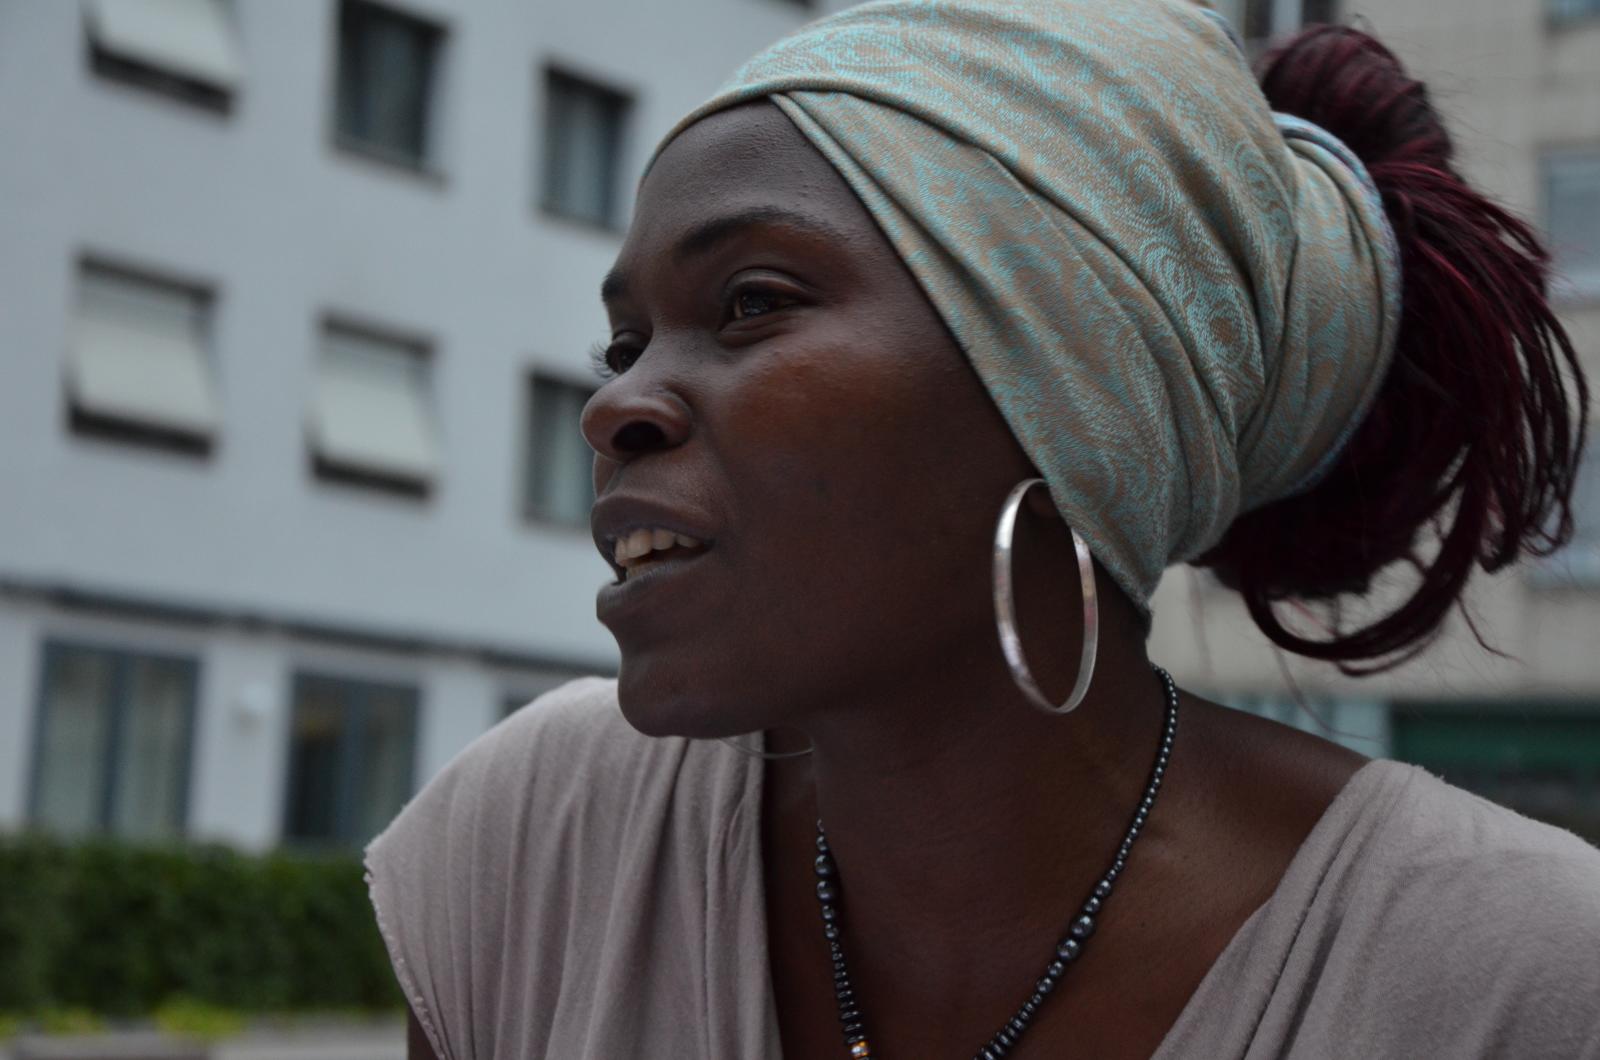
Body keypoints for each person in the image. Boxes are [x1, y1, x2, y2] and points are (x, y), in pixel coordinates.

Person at [366, 1, 1599, 1057]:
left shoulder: (1515, 977)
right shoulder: (534, 848)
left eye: (750, 302)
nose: (613, 404)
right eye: (624, 343)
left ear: (1072, 395)